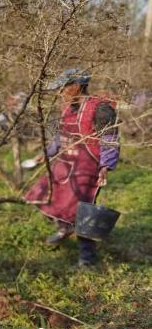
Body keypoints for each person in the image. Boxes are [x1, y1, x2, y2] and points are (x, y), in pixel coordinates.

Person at [25, 69, 119, 266]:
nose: (60, 93)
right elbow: (62, 135)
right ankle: (64, 228)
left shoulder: (101, 109)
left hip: (87, 168)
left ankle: (87, 258)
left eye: (63, 88)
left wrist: (105, 167)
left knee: (82, 212)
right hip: (65, 164)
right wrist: (47, 153)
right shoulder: (69, 107)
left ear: (76, 86)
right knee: (46, 195)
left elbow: (110, 139)